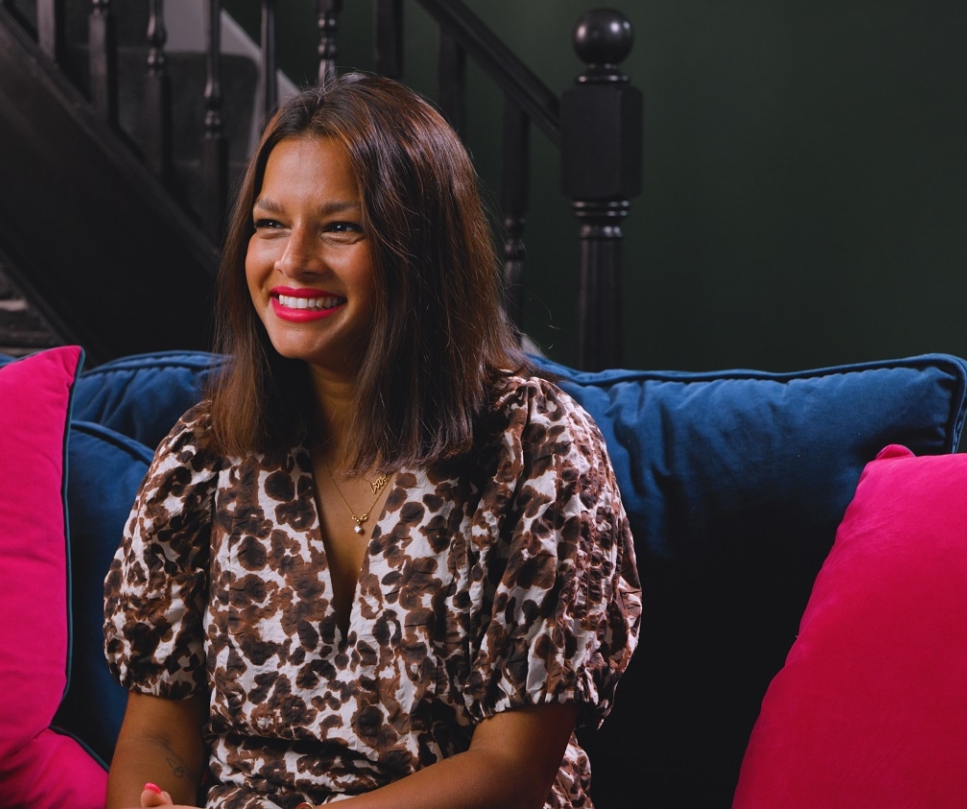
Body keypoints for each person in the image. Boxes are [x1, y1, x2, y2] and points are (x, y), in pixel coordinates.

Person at [102, 74, 640, 809]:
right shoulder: (203, 456)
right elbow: (159, 733)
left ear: (421, 249)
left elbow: (513, 771)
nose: (292, 260)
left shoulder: (534, 451)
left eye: (340, 226)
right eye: (269, 224)